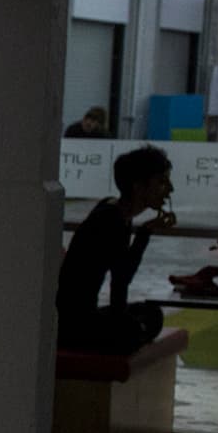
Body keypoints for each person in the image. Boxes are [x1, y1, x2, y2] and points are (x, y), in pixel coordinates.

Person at [56, 144, 174, 354]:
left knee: (151, 315)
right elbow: (121, 281)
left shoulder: (116, 212)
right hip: (72, 324)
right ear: (139, 186)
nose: (169, 189)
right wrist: (145, 233)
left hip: (77, 317)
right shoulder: (111, 220)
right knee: (132, 329)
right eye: (161, 182)